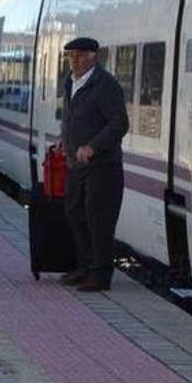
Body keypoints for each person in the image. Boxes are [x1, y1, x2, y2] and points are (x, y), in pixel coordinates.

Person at [55, 37, 130, 292]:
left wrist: (93, 147)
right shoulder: (70, 82)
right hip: (77, 165)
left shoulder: (105, 85)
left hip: (103, 166)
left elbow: (119, 124)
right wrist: (64, 140)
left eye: (79, 55)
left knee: (99, 220)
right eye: (70, 56)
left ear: (92, 57)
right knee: (75, 213)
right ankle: (85, 267)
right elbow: (71, 118)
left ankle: (101, 274)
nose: (74, 61)